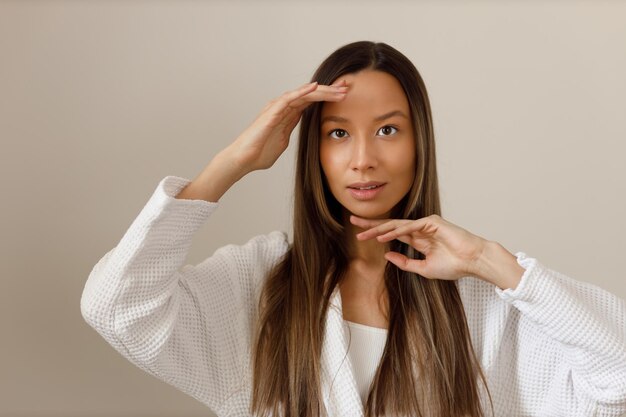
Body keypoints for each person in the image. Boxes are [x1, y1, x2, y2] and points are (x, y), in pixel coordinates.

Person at [80, 41, 626, 417]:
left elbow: (617, 374)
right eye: (339, 134)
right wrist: (234, 161)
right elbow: (116, 308)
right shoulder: (260, 282)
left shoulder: (480, 303)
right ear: (313, 148)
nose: (363, 159)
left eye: (388, 129)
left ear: (420, 144)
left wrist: (490, 261)